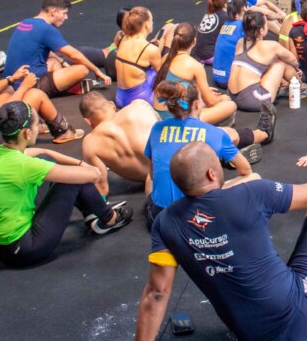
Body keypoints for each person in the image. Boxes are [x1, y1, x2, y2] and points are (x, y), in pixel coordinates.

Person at [135, 142, 307, 340]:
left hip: (248, 332)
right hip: (297, 317)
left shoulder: (165, 222)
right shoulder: (252, 192)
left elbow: (157, 292)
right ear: (211, 173)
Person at [0, 101, 132, 268]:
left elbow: (44, 152)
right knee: (72, 180)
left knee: (48, 160)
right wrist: (91, 169)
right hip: (23, 251)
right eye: (37, 125)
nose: (39, 128)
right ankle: (109, 218)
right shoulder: (24, 166)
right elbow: (92, 176)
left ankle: (92, 212)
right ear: (27, 133)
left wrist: (79, 163)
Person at [144, 81, 256, 226]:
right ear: (197, 104)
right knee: (253, 177)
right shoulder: (214, 133)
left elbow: (152, 175)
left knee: (150, 177)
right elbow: (245, 170)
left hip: (159, 218)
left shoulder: (157, 128)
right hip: (195, 218)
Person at [4, 0, 111, 106]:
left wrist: (62, 61)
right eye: (64, 13)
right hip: (29, 83)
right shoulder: (46, 28)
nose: (66, 17)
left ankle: (66, 85)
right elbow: (74, 55)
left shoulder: (25, 22)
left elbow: (42, 48)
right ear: (54, 12)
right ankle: (68, 88)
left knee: (54, 61)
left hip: (13, 80)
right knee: (82, 69)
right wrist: (97, 71)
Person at [153, 23, 237, 126]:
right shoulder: (194, 65)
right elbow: (210, 102)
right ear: (194, 41)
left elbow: (173, 86)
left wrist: (201, 91)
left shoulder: (165, 58)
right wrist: (222, 98)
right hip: (177, 118)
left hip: (159, 114)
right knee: (230, 105)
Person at [79, 92, 157, 196]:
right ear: (112, 104)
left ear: (88, 121)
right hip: (175, 167)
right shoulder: (139, 105)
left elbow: (102, 190)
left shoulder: (90, 143)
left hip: (155, 184)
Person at [229, 10, 303, 119]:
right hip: (253, 100)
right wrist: (297, 69)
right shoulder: (270, 46)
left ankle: (289, 84)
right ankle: (300, 86)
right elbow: (292, 59)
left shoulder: (240, 42)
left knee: (266, 64)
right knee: (280, 63)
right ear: (262, 30)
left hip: (233, 96)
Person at [114, 7, 163, 109]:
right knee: (162, 71)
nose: (152, 22)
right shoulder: (150, 49)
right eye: (151, 20)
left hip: (119, 97)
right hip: (138, 100)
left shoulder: (121, 37)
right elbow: (162, 75)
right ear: (146, 24)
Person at [210, 0, 248, 89]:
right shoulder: (242, 25)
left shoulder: (226, 24)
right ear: (244, 8)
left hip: (216, 77)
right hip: (229, 81)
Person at [191, 0, 230, 65]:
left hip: (198, 55)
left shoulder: (208, 14)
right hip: (212, 56)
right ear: (225, 5)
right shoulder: (225, 17)